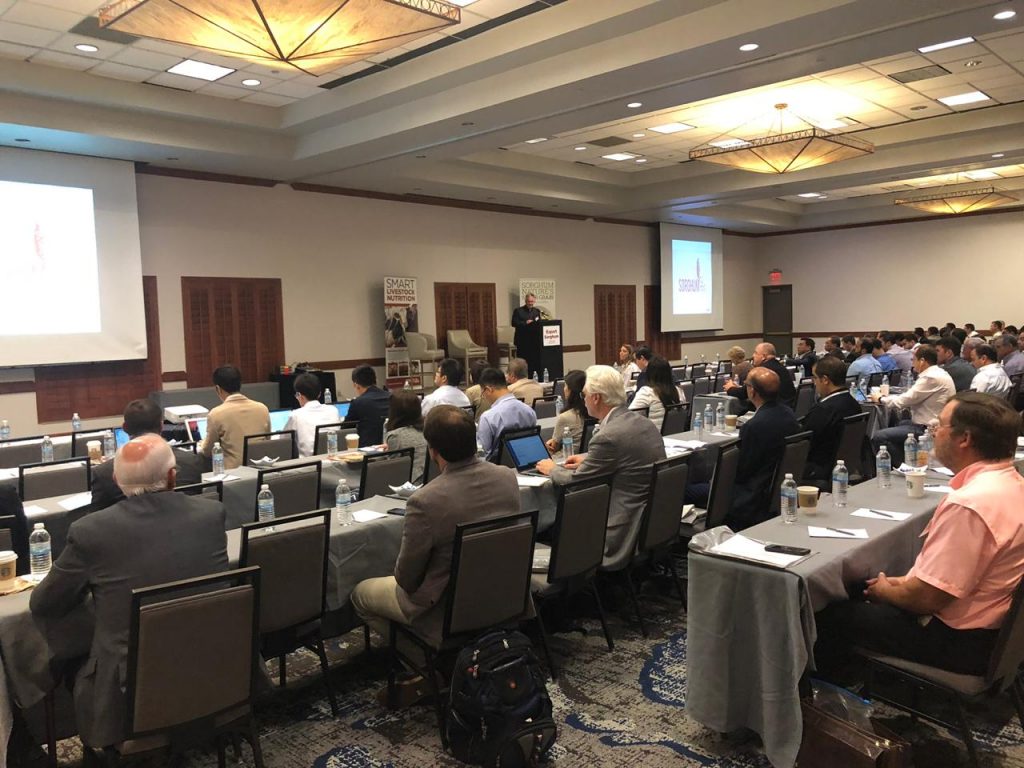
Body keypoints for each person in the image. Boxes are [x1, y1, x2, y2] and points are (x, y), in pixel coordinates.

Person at [30, 434, 229, 748]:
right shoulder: (211, 513)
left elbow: (44, 603)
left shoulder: (91, 532)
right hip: (217, 665)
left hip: (129, 688)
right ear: (172, 476)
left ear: (116, 481)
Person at [816, 392, 1024, 677]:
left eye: (940, 426)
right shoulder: (1013, 482)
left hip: (961, 641)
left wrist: (886, 590)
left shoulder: (971, 504)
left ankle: (830, 708)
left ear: (965, 439)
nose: (933, 432)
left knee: (826, 612)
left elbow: (928, 598)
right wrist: (898, 583)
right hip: (998, 632)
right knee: (863, 587)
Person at [351, 406, 520, 652]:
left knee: (360, 594)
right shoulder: (507, 477)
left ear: (433, 450)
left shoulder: (425, 500)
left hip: (444, 605)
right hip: (502, 590)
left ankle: (424, 664)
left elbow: (407, 579)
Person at [536, 365, 665, 564]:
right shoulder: (642, 422)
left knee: (547, 524)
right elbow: (628, 459)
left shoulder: (608, 437)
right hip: (650, 522)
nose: (583, 399)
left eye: (585, 394)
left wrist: (552, 469)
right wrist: (589, 459)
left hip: (618, 530)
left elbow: (577, 484)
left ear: (596, 398)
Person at [690, 368, 800, 530]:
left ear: (752, 391)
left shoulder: (754, 427)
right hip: (771, 490)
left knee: (685, 489)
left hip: (749, 497)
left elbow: (740, 472)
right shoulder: (789, 414)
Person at [92, 398, 203, 510]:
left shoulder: (104, 472)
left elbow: (95, 521)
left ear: (125, 428)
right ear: (161, 426)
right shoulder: (191, 461)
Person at [870, 345, 955, 466]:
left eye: (913, 360)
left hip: (927, 428)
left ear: (922, 361)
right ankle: (907, 461)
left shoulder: (931, 377)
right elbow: (911, 397)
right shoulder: (939, 372)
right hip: (931, 422)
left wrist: (880, 398)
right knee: (900, 423)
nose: (912, 363)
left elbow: (902, 402)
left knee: (879, 436)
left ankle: (903, 467)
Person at [801, 355, 861, 486]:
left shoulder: (824, 409)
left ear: (825, 380)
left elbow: (804, 442)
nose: (814, 382)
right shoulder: (853, 403)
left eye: (815, 378)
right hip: (843, 465)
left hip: (819, 468)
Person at [200, 364, 271, 469]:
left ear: (218, 388)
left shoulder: (216, 414)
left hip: (233, 475)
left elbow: (207, 451)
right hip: (260, 470)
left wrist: (201, 444)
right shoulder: (262, 408)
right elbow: (267, 440)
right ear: (240, 384)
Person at [476, 367, 537, 460]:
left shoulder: (488, 417)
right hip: (526, 462)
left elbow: (484, 454)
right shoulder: (529, 411)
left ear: (488, 390)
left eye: (483, 393)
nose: (483, 396)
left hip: (498, 470)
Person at [723, 342, 796, 410]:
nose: (753, 355)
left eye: (755, 353)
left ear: (763, 356)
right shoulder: (781, 367)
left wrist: (730, 388)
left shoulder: (763, 371)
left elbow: (744, 393)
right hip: (786, 409)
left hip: (771, 411)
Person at [283, 372, 339, 457]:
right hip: (333, 461)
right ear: (320, 394)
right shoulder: (333, 410)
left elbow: (284, 441)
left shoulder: (296, 415)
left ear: (299, 396)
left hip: (308, 465)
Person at [384, 389, 428, 483]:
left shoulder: (395, 436)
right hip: (431, 480)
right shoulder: (428, 429)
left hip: (410, 485)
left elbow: (392, 469)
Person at [628, 356, 682, 430]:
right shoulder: (678, 391)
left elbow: (629, 417)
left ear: (649, 373)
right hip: (675, 437)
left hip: (653, 438)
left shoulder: (647, 392)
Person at [544, 369, 587, 457]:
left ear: (571, 391)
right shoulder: (593, 413)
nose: (564, 389)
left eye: (565, 386)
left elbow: (553, 448)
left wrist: (549, 444)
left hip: (564, 459)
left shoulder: (565, 417)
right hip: (584, 457)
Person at [348, 364, 391, 447]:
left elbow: (346, 428)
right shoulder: (392, 397)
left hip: (368, 451)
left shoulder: (358, 402)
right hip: (390, 447)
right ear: (375, 380)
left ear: (356, 385)